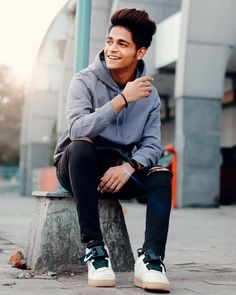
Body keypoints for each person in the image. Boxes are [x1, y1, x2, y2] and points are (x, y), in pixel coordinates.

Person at [54, 8, 172, 293]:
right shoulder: (84, 80)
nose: (111, 49)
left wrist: (129, 166)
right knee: (81, 146)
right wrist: (121, 100)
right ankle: (95, 250)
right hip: (78, 165)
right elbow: (78, 130)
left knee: (160, 175)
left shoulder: (149, 94)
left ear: (139, 52)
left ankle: (151, 259)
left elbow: (152, 145)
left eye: (122, 44)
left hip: (118, 170)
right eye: (109, 41)